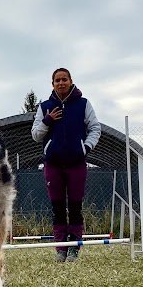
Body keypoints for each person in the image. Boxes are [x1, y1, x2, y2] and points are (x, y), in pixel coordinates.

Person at [31, 68, 101, 262]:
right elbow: (35, 135)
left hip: (77, 163)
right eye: (57, 80)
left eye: (64, 79)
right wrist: (47, 120)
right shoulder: (45, 106)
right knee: (58, 207)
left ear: (71, 81)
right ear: (52, 84)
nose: (61, 83)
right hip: (53, 165)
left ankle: (75, 247)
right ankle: (61, 248)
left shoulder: (83, 104)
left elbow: (95, 128)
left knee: (75, 206)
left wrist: (85, 148)